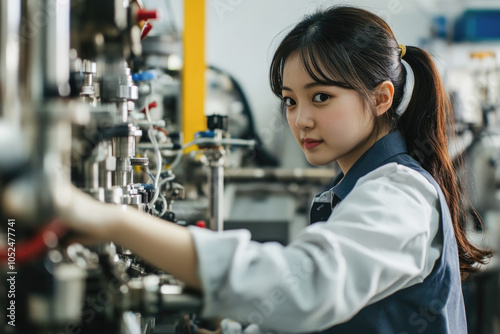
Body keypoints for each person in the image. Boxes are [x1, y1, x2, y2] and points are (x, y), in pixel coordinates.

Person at [3, 5, 492, 334]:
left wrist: (110, 219)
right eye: (289, 101)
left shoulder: (399, 195)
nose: (300, 119)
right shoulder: (358, 187)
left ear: (382, 98)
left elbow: (305, 287)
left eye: (321, 97)